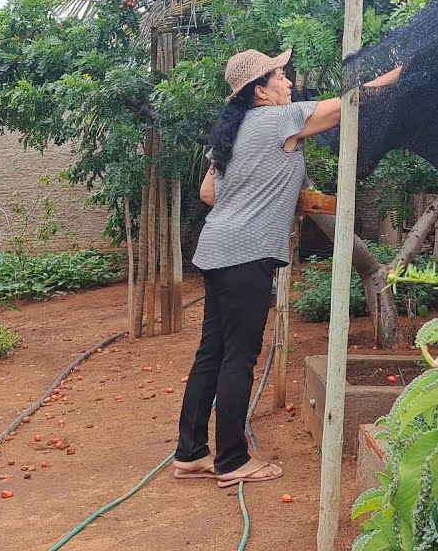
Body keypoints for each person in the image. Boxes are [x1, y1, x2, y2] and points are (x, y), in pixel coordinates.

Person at [171, 48, 402, 488]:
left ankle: (191, 453)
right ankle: (233, 460)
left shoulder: (232, 132)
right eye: (280, 75)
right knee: (239, 357)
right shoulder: (280, 119)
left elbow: (207, 194)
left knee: (212, 353)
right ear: (260, 90)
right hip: (247, 254)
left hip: (217, 249)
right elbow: (347, 104)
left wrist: (262, 197)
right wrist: (401, 71)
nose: (288, 82)